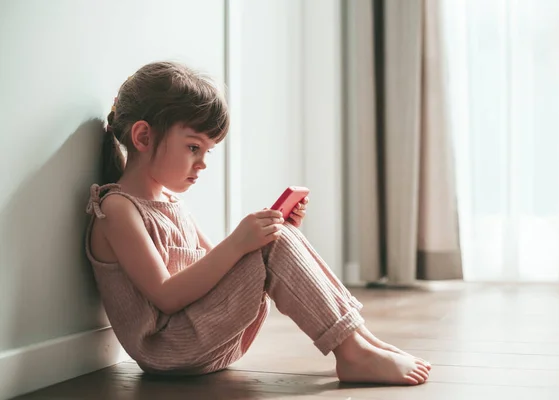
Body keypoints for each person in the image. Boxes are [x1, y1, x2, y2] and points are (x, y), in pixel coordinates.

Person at [85, 61, 431, 385]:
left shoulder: (171, 202)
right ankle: (353, 351)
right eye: (193, 147)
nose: (203, 163)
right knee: (269, 240)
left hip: (201, 339)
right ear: (143, 137)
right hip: (170, 348)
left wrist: (273, 235)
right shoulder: (117, 209)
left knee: (275, 235)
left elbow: (219, 267)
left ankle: (360, 340)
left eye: (208, 151)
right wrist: (243, 241)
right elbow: (166, 296)